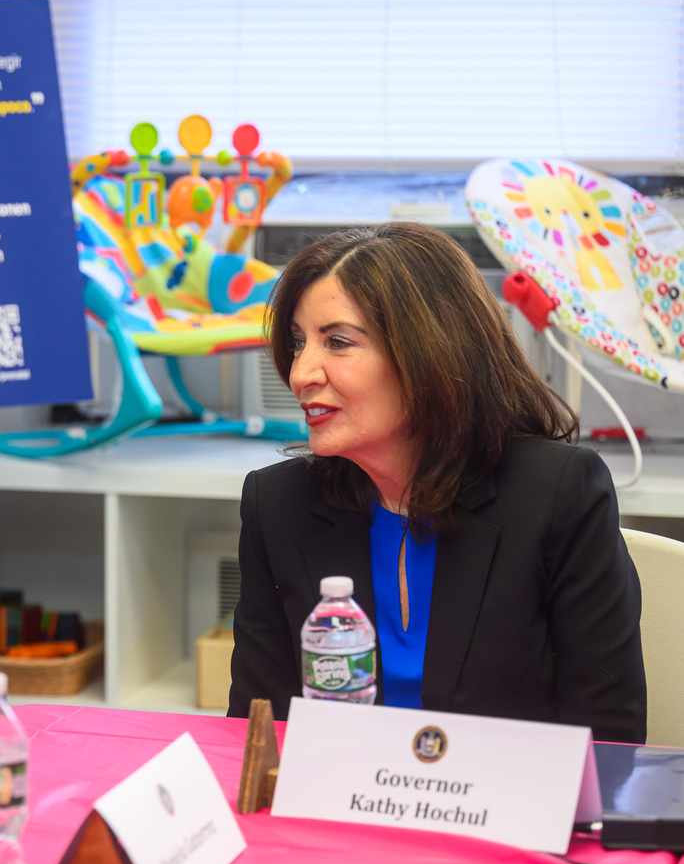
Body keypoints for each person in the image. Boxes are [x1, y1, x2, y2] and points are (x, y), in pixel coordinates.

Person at [228, 223, 647, 744]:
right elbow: (256, 734)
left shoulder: (560, 494)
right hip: (336, 812)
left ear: (429, 351)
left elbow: (608, 739)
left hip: (508, 816)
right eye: (297, 343)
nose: (300, 374)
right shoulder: (277, 505)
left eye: (337, 342)